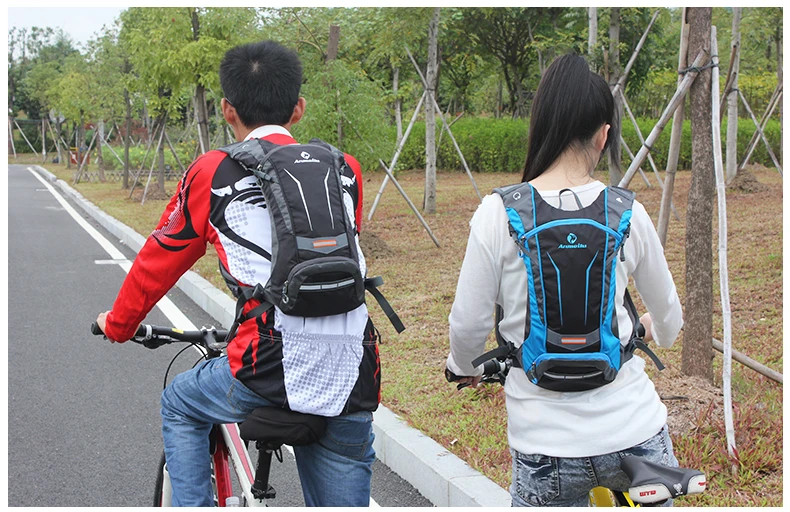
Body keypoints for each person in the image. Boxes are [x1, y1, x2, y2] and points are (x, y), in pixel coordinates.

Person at [96, 40, 379, 507]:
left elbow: (158, 258)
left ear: (227, 110)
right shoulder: (344, 169)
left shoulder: (214, 171)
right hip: (354, 370)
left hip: (263, 365)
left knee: (179, 403)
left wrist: (120, 324)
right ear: (299, 108)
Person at [445, 53, 684, 507]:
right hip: (635, 431)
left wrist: (464, 366)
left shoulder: (497, 213)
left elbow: (467, 324)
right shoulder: (628, 212)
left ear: (541, 124)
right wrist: (651, 328)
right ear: (603, 135)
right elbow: (670, 319)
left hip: (545, 446)